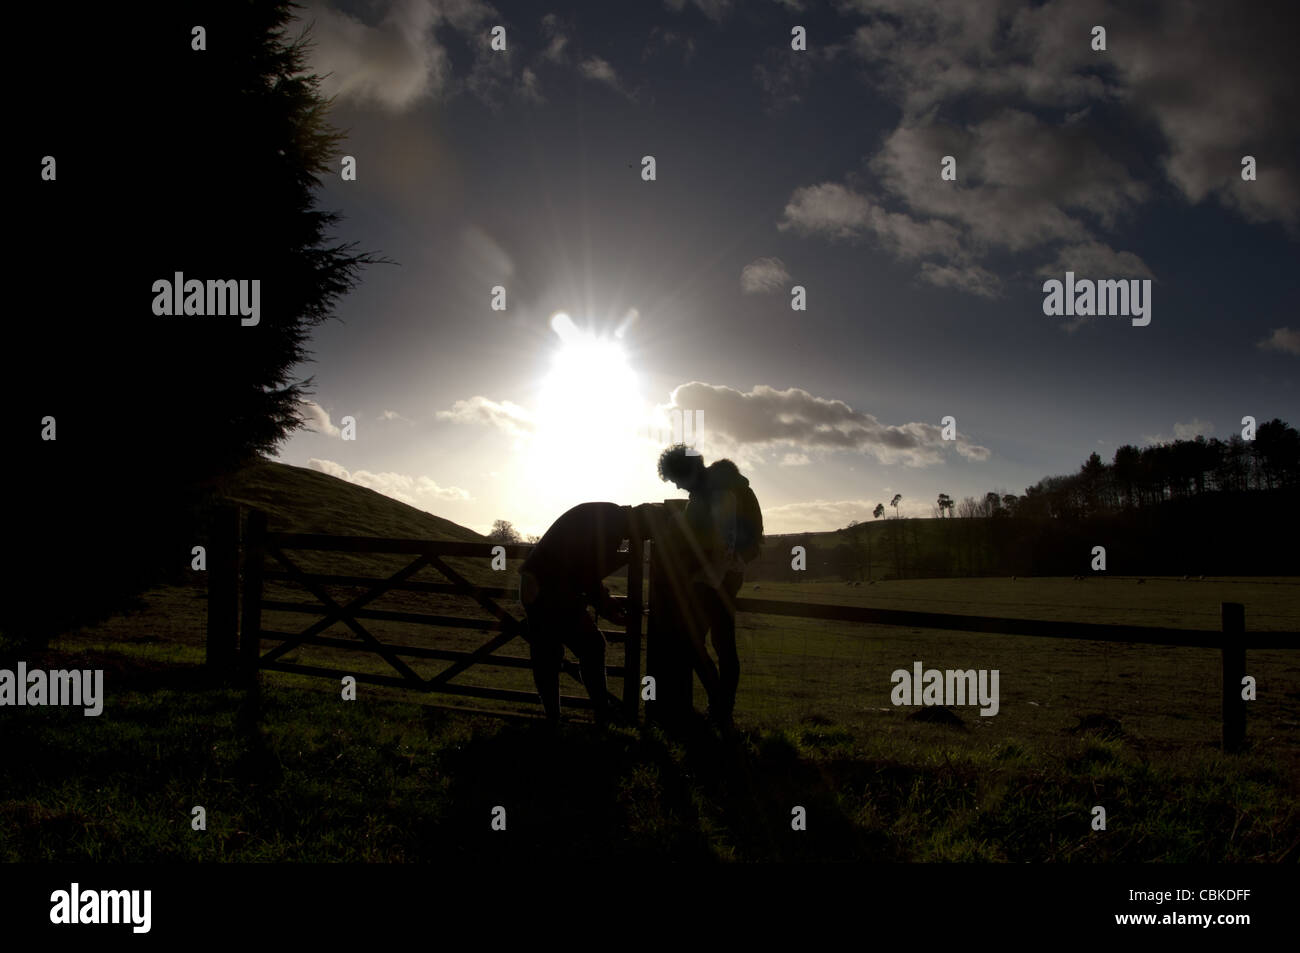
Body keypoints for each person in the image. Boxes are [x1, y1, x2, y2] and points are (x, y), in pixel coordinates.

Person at [518, 502, 654, 725]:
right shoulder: (612, 528)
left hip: (541, 585)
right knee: (590, 647)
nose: (633, 541)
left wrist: (605, 602)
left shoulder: (608, 516)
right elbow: (587, 574)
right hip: (551, 589)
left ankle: (556, 720)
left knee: (549, 654)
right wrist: (608, 608)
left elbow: (585, 569)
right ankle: (600, 714)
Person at [656, 444, 761, 731]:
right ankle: (721, 709)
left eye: (677, 479)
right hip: (725, 574)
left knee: (693, 642)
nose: (677, 486)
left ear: (688, 472)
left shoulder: (717, 490)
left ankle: (720, 708)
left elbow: (722, 539)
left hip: (717, 576)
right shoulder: (715, 488)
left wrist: (708, 576)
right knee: (721, 643)